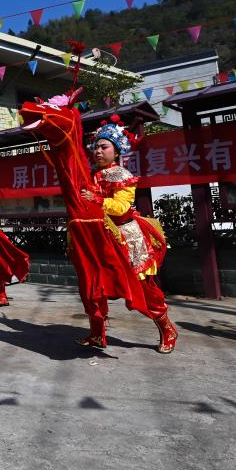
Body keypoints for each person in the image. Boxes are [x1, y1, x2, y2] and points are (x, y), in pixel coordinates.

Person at [78, 117, 177, 353]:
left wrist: (97, 200)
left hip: (125, 237)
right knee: (93, 285)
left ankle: (168, 329)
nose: (98, 151)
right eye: (96, 147)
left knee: (142, 287)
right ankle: (96, 333)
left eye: (104, 147)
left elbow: (122, 207)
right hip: (99, 236)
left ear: (116, 151)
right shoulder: (91, 175)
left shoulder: (122, 175)